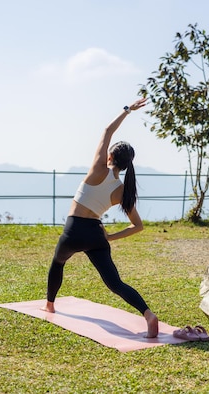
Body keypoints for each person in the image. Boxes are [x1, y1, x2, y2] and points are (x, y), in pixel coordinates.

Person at [41, 97, 159, 338]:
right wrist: (110, 237)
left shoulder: (98, 168)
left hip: (74, 230)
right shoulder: (121, 190)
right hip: (96, 234)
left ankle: (50, 305)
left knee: (58, 263)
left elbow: (107, 130)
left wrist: (128, 110)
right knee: (114, 283)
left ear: (110, 157)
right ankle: (148, 314)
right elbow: (138, 226)